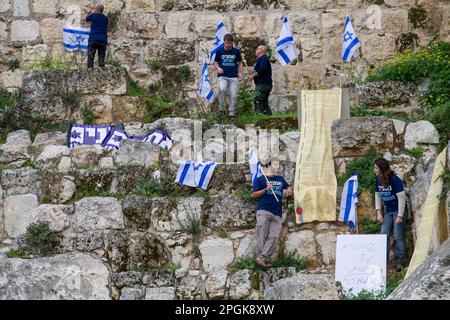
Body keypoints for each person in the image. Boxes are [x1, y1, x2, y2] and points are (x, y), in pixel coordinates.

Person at [252, 157, 293, 270]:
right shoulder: (260, 179)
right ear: (268, 165)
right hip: (264, 210)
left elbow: (288, 187)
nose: (277, 167)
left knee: (274, 237)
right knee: (262, 235)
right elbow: (254, 195)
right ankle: (262, 259)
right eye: (275, 164)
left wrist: (289, 190)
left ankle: (262, 258)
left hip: (277, 212)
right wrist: (266, 189)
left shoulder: (280, 178)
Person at [374, 158, 408, 273]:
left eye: (376, 168)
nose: (374, 170)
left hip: (399, 210)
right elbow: (378, 196)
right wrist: (379, 212)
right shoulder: (378, 180)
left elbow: (402, 198)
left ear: (381, 168)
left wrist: (400, 215)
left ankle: (400, 262)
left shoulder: (395, 180)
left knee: (398, 235)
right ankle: (384, 262)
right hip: (388, 210)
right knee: (384, 235)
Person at [213, 34, 244, 120]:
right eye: (227, 43)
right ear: (224, 42)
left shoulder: (236, 52)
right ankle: (222, 110)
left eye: (230, 43)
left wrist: (241, 73)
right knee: (222, 89)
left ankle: (231, 113)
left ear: (232, 43)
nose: (228, 45)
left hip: (234, 76)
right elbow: (215, 62)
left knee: (233, 94)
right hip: (223, 76)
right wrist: (218, 68)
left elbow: (240, 62)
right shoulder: (219, 51)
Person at [249, 45, 273, 115]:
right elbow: (259, 70)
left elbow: (263, 69)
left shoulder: (263, 58)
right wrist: (253, 72)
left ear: (261, 50)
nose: (255, 50)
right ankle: (268, 117)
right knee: (263, 102)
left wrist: (253, 75)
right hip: (262, 84)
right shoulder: (260, 59)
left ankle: (261, 117)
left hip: (263, 84)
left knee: (258, 101)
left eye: (257, 49)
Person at [85, 3, 109, 68]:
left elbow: (86, 19)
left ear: (97, 9)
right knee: (101, 58)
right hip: (103, 40)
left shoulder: (93, 15)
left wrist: (91, 12)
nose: (94, 10)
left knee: (90, 56)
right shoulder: (106, 18)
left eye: (95, 9)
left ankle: (89, 72)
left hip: (93, 39)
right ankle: (102, 72)